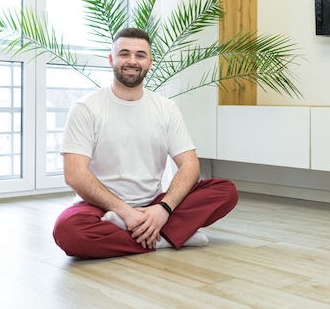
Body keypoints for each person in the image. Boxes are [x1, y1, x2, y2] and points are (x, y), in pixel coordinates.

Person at [52, 27, 239, 259]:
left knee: (225, 191)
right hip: (100, 207)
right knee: (67, 232)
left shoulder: (166, 108)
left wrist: (164, 209)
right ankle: (167, 239)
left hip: (153, 203)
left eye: (140, 55)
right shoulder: (86, 108)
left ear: (150, 62)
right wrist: (124, 211)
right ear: (111, 59)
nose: (132, 61)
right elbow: (74, 174)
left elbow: (190, 165)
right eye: (124, 54)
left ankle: (144, 230)